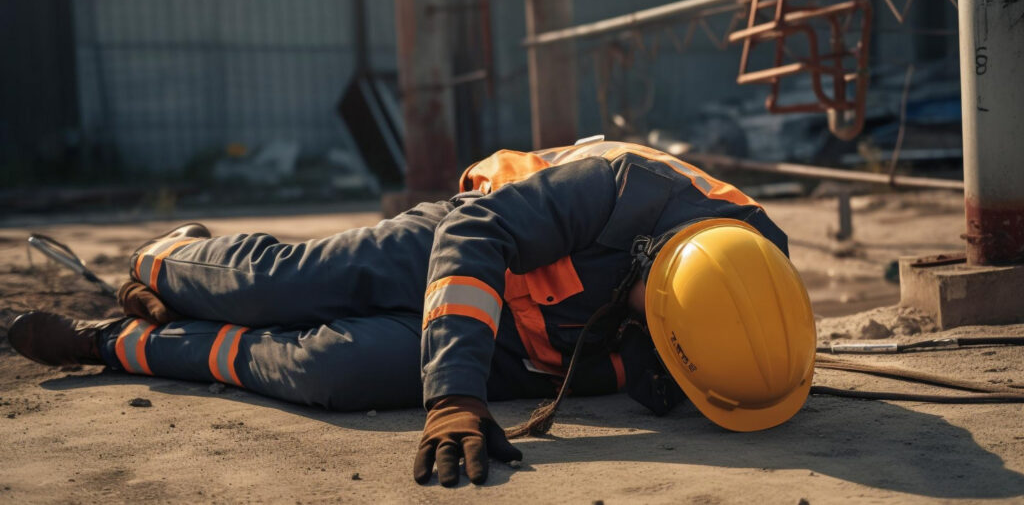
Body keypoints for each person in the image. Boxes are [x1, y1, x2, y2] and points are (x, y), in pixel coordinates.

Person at [8, 138, 816, 487]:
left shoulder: (753, 277)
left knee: (330, 370)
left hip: (535, 343)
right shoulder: (622, 187)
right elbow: (477, 231)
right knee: (282, 288)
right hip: (467, 243)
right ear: (649, 260)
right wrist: (454, 395)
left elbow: (664, 367)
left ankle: (113, 346)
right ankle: (166, 256)